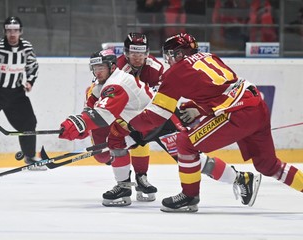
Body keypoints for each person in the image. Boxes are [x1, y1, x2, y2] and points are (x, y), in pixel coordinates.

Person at [59, 48, 261, 208]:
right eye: (95, 68)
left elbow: (103, 114)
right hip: (139, 124)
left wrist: (78, 123)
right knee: (115, 140)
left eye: (101, 67)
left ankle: (241, 178)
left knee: (190, 159)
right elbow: (96, 111)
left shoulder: (117, 83)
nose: (98, 71)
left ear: (112, 66)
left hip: (160, 121)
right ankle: (123, 187)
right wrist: (84, 127)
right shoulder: (101, 85)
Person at [124, 32, 303, 212]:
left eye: (169, 55)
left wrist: (130, 126)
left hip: (238, 114)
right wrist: (198, 108)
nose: (168, 60)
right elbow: (222, 90)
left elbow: (157, 115)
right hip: (256, 105)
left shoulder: (175, 73)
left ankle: (189, 196)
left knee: (186, 143)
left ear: (178, 54)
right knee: (268, 165)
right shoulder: (210, 57)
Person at [86, 32, 164, 202]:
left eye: (141, 53)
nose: (137, 57)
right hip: (114, 107)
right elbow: (99, 92)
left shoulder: (155, 68)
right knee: (102, 154)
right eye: (133, 53)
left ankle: (138, 178)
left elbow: (160, 98)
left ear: (147, 52)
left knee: (139, 136)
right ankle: (121, 168)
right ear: (126, 53)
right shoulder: (116, 66)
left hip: (142, 109)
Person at [0, 16, 45, 170]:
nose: (12, 34)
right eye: (9, 30)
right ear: (4, 31)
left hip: (16, 94)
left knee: (29, 122)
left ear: (21, 31)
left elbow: (33, 66)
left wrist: (30, 81)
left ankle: (30, 157)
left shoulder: (26, 47)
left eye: (15, 30)